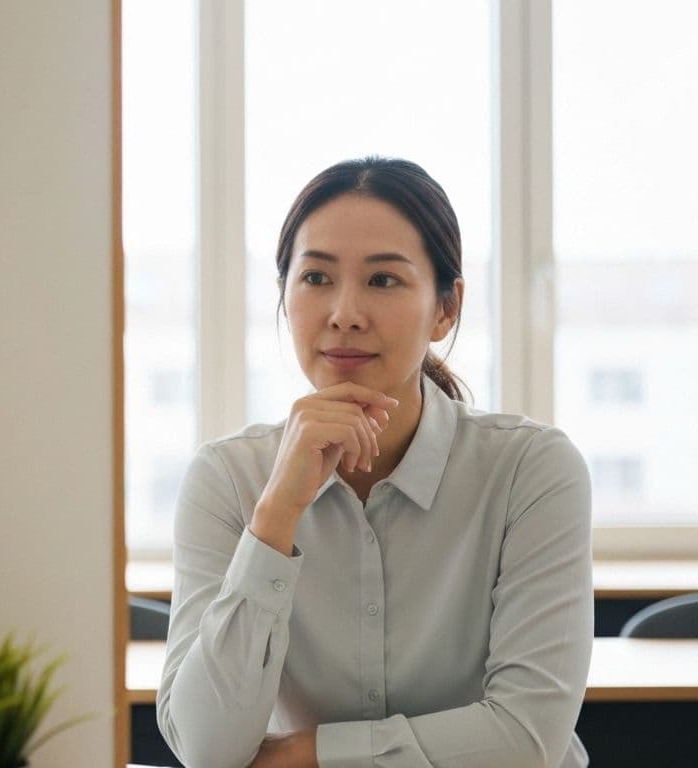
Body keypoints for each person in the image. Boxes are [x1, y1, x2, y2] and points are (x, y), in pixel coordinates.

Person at [157, 157, 592, 768]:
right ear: (284, 298)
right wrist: (277, 511)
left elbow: (527, 737)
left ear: (446, 309)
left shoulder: (532, 470)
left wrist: (309, 755)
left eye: (383, 280)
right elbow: (206, 748)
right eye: (315, 278)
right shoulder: (228, 479)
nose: (345, 313)